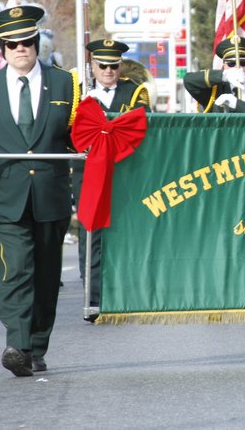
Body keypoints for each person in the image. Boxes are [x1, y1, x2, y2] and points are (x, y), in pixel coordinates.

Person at [0, 4, 78, 377]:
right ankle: (18, 344)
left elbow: (78, 135)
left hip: (49, 194)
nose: (21, 49)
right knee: (18, 267)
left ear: (37, 42)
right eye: (12, 44)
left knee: (45, 273)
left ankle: (36, 345)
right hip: (4, 195)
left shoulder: (65, 84)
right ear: (2, 49)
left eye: (27, 41)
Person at [78, 39, 151, 314]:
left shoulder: (135, 92)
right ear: (92, 67)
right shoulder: (80, 94)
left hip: (123, 171)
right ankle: (93, 297)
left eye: (113, 65)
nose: (108, 71)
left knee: (125, 231)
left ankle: (124, 294)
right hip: (89, 172)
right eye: (102, 65)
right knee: (91, 233)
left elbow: (142, 124)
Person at [183, 38, 245, 113]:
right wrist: (223, 76)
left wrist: (237, 104)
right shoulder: (213, 91)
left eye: (243, 63)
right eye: (231, 64)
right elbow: (188, 80)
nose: (237, 68)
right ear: (224, 66)